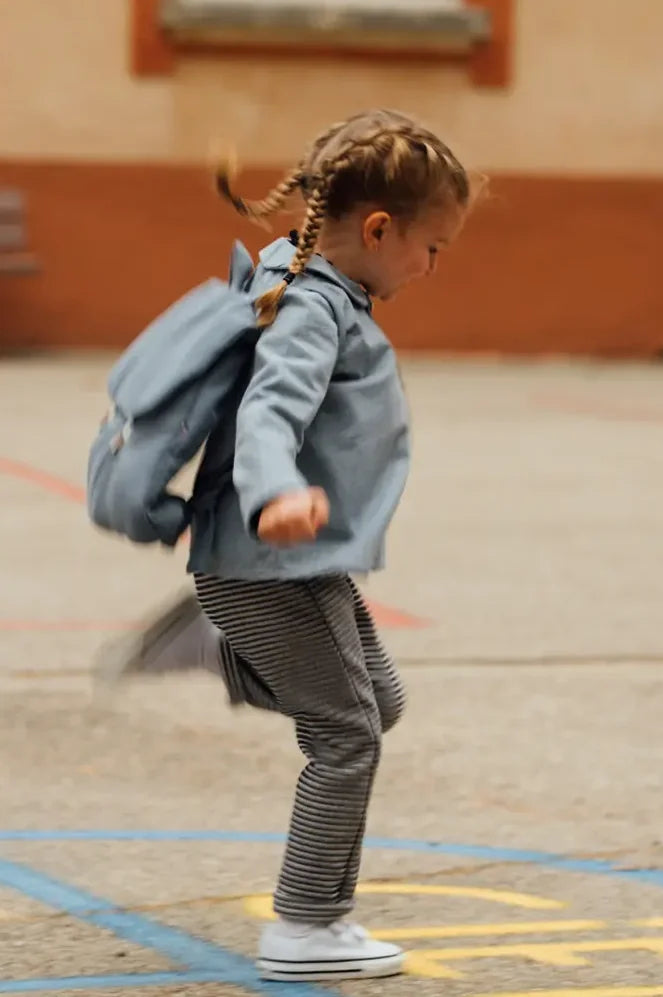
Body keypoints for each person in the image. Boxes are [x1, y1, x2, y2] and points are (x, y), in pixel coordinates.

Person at [95, 108, 475, 982]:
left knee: (379, 704)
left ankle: (215, 647)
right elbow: (270, 410)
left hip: (298, 562)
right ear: (377, 230)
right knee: (347, 735)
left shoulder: (303, 276)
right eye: (432, 247)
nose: (430, 266)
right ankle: (306, 924)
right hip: (266, 562)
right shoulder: (310, 307)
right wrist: (273, 492)